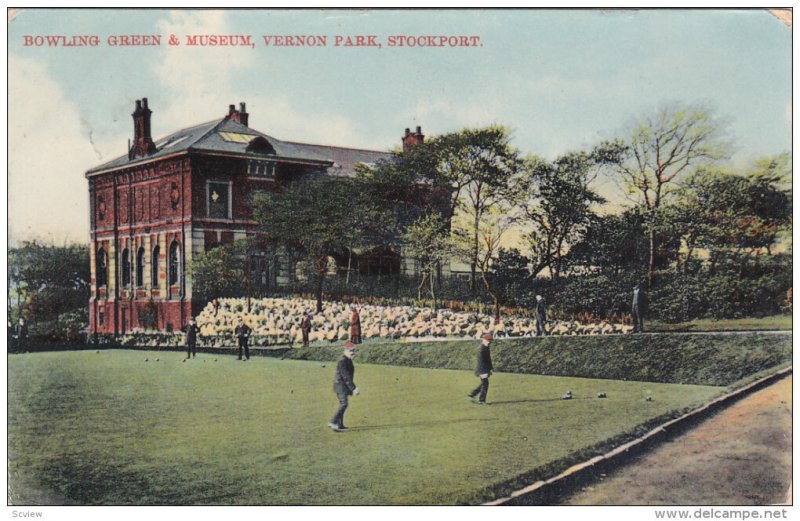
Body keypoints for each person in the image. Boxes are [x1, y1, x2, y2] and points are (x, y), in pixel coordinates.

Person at [329, 342, 359, 432]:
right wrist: (353, 388)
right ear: (345, 351)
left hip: (343, 386)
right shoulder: (342, 361)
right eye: (350, 351)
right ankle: (334, 422)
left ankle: (339, 425)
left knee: (344, 404)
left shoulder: (347, 360)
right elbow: (346, 377)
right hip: (340, 386)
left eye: (353, 350)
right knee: (344, 404)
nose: (352, 352)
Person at [467, 332, 494, 405]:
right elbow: (482, 361)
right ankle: (481, 400)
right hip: (482, 369)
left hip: (484, 369)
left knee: (483, 384)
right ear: (484, 340)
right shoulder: (482, 349)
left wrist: (490, 368)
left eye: (490, 341)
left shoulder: (485, 347)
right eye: (488, 341)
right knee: (485, 384)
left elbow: (488, 359)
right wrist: (485, 371)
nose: (489, 343)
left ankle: (472, 395)